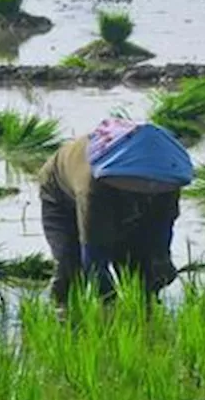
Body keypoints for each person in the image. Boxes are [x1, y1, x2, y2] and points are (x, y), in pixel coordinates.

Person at [37, 118, 194, 307]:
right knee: (71, 265)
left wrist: (160, 260)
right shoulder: (93, 185)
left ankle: (146, 312)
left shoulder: (166, 174)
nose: (151, 188)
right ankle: (61, 309)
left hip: (121, 192)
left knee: (139, 266)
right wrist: (106, 296)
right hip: (61, 196)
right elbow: (93, 250)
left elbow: (161, 226)